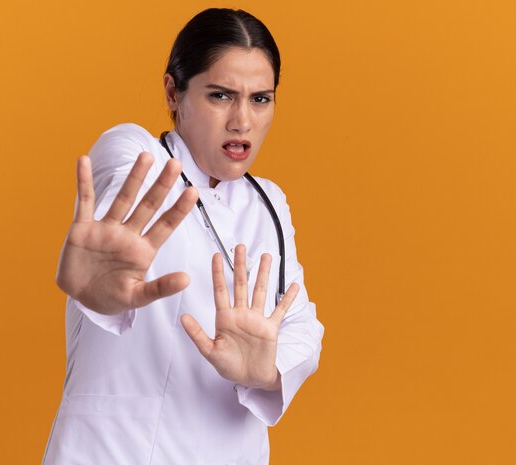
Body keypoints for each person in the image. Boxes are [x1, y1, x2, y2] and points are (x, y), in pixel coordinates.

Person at [42, 8, 324, 465]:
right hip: (112, 452)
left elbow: (302, 324)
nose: (242, 121)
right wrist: (102, 286)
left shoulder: (268, 203)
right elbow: (122, 175)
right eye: (220, 95)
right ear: (173, 92)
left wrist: (267, 369)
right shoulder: (137, 151)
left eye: (260, 99)